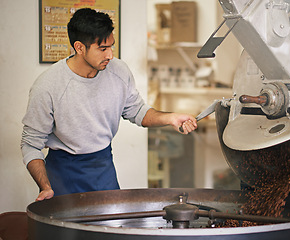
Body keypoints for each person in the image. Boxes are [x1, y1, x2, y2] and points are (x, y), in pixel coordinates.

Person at [21, 8, 197, 201]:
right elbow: (31, 144)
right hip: (62, 174)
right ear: (79, 48)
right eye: (103, 49)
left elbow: (137, 111)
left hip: (102, 167)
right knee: (67, 232)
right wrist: (45, 187)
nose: (110, 55)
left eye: (111, 46)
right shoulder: (48, 86)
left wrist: (170, 118)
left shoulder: (119, 72)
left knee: (110, 228)